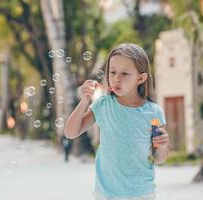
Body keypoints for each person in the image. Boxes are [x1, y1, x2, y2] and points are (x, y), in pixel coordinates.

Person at [64, 43, 169, 200]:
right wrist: (84, 101)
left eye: (125, 74)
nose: (116, 78)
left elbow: (159, 158)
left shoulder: (153, 113)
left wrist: (162, 146)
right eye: (112, 72)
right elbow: (70, 133)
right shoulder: (103, 105)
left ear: (141, 78)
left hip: (142, 193)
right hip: (107, 193)